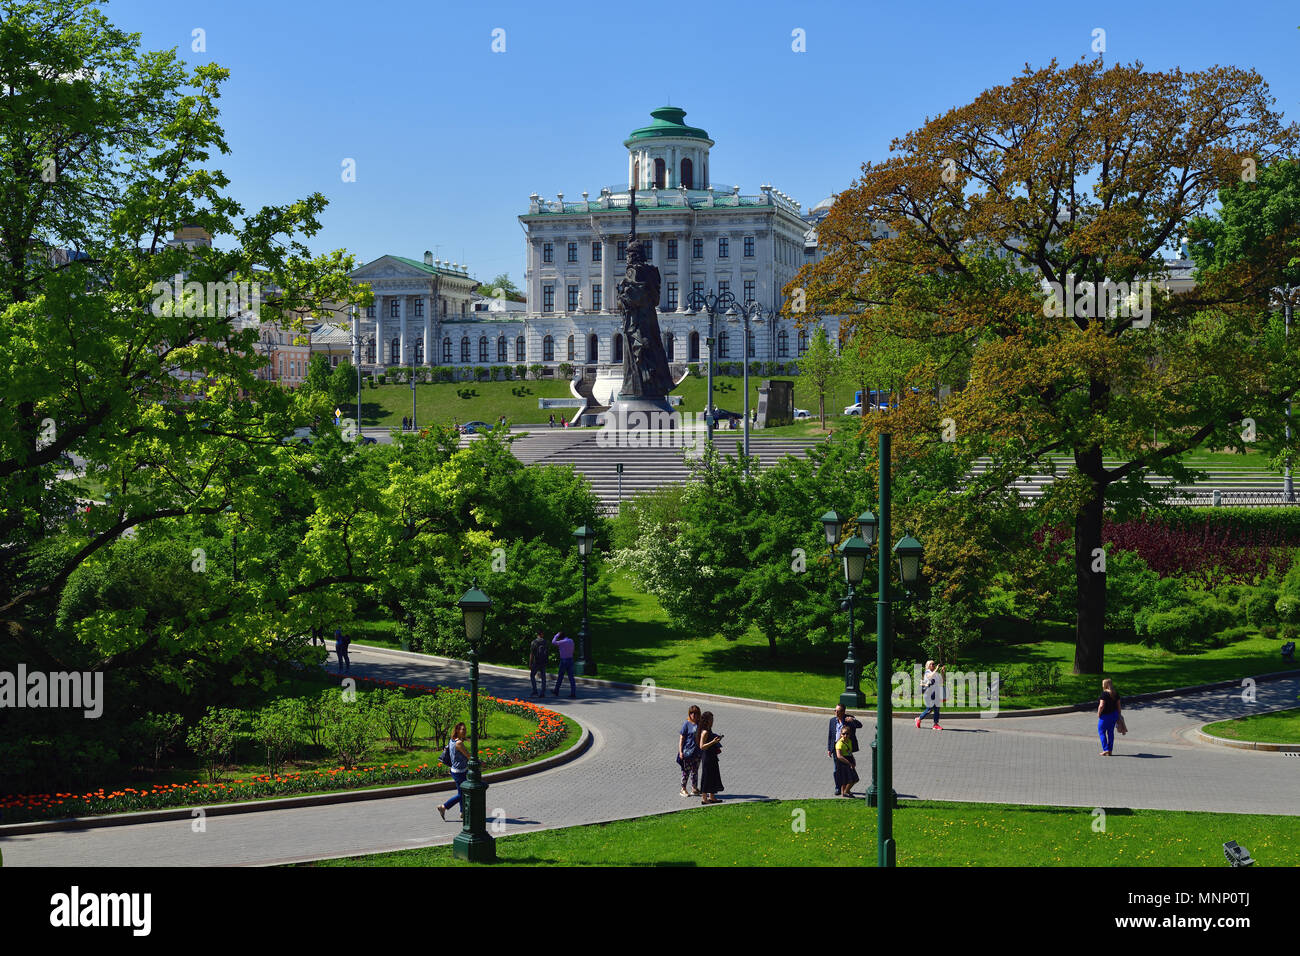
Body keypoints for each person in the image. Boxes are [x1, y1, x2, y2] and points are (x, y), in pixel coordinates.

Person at [436, 722, 470, 821]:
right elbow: (468, 756)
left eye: (465, 729)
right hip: (460, 772)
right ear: (457, 731)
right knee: (462, 794)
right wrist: (479, 762)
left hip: (456, 770)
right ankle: (443, 807)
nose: (464, 731)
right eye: (462, 729)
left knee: (461, 791)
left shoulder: (452, 740)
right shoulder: (459, 743)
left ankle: (462, 812)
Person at [827, 705, 863, 796]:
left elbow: (860, 725)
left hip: (846, 748)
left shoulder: (848, 719)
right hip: (836, 747)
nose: (836, 712)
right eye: (835, 710)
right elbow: (830, 736)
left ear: (843, 712)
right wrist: (829, 748)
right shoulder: (832, 721)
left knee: (846, 770)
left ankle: (845, 789)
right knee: (837, 769)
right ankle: (838, 787)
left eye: (838, 711)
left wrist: (853, 720)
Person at [697, 711, 724, 803]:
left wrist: (717, 739)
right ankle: (704, 798)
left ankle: (712, 797)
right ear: (707, 721)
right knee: (707, 776)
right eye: (711, 719)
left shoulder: (709, 730)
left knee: (713, 775)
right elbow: (702, 746)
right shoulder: (704, 732)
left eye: (713, 719)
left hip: (712, 756)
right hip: (707, 756)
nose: (713, 721)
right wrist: (713, 742)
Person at [678, 705, 702, 797]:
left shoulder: (700, 724)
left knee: (695, 770)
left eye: (696, 713)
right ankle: (683, 789)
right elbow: (681, 738)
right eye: (692, 713)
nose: (694, 715)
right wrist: (680, 751)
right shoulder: (686, 724)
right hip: (687, 752)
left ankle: (694, 788)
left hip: (697, 752)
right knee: (686, 771)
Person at [1098, 678, 1125, 756]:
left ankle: (1105, 749)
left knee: (1101, 731)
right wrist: (1119, 714)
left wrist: (1099, 713)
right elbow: (1119, 705)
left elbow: (1101, 705)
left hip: (1105, 716)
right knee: (1110, 732)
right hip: (1114, 715)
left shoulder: (1104, 694)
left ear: (1105, 685)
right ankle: (1110, 750)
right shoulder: (1115, 694)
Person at [915, 660, 943, 730]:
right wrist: (936, 669)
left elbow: (942, 680)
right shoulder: (927, 672)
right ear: (928, 666)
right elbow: (930, 677)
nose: (933, 665)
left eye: (934, 664)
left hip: (935, 693)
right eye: (932, 664)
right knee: (929, 709)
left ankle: (935, 724)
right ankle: (919, 718)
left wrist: (942, 672)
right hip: (929, 693)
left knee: (936, 709)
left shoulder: (935, 673)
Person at [835, 724, 860, 797]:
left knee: (848, 779)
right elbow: (839, 756)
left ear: (849, 734)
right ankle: (846, 791)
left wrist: (853, 761)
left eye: (847, 733)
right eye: (843, 734)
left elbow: (850, 752)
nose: (845, 735)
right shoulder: (839, 743)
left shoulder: (849, 741)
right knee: (853, 779)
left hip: (849, 760)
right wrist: (849, 763)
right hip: (843, 762)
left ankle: (845, 792)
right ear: (841, 734)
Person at [552, 630, 576, 698]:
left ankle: (556, 691)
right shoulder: (571, 640)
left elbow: (553, 642)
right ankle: (573, 692)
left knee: (560, 676)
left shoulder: (562, 642)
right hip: (571, 659)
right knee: (571, 677)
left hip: (564, 660)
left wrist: (556, 635)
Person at [528, 631, 549, 697]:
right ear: (542, 634)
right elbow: (547, 652)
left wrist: (530, 663)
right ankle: (542, 693)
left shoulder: (534, 642)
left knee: (532, 675)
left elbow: (531, 654)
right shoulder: (545, 642)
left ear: (537, 634)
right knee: (543, 677)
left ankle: (535, 691)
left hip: (536, 662)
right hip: (543, 662)